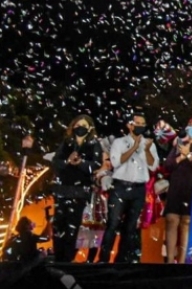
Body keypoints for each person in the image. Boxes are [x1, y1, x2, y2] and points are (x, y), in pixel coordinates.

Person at [98, 112, 159, 263]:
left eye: (142, 124)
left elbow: (153, 165)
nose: (139, 126)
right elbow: (117, 162)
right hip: (120, 187)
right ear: (129, 125)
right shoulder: (119, 142)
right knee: (112, 224)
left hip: (138, 189)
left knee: (130, 227)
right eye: (136, 123)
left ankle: (121, 260)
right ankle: (103, 260)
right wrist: (134, 147)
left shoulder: (149, 144)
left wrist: (145, 149)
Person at [50, 114, 104, 262]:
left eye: (84, 126)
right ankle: (58, 256)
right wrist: (67, 161)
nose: (80, 128)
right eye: (78, 125)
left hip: (80, 192)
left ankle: (67, 259)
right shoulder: (66, 143)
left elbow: (96, 165)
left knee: (72, 226)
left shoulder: (94, 145)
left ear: (90, 128)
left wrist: (80, 163)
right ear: (73, 126)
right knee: (58, 224)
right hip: (62, 189)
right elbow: (56, 162)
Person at [163, 116, 192, 263]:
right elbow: (168, 165)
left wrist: (188, 154)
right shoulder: (178, 143)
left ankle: (182, 261)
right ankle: (170, 260)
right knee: (172, 219)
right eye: (191, 125)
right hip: (177, 185)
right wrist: (180, 156)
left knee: (186, 222)